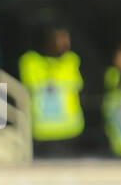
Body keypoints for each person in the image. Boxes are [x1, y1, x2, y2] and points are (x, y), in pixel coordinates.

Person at [19, 26, 85, 160]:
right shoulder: (30, 61)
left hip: (69, 132)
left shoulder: (72, 60)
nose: (64, 43)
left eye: (66, 38)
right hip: (42, 134)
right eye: (59, 38)